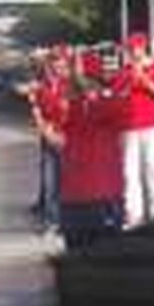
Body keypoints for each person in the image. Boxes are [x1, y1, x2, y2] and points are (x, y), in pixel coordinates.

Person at [52, 48, 128, 251]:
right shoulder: (69, 106)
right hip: (80, 197)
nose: (71, 81)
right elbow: (56, 138)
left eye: (77, 77)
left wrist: (93, 96)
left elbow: (120, 116)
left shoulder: (110, 103)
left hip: (100, 197)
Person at [114, 33, 154, 228]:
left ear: (144, 47)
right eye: (130, 49)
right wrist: (130, 79)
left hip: (151, 124)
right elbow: (118, 94)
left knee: (153, 167)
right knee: (130, 171)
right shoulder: (124, 70)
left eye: (136, 48)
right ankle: (133, 213)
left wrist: (143, 78)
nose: (133, 52)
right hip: (129, 126)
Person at [28, 47, 70, 232]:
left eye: (61, 63)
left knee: (65, 181)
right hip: (48, 136)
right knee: (49, 180)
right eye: (54, 64)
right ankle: (51, 219)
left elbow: (73, 111)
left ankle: (65, 219)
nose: (57, 67)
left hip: (66, 137)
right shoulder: (41, 86)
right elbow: (36, 110)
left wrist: (62, 133)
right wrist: (45, 130)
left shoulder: (69, 85)